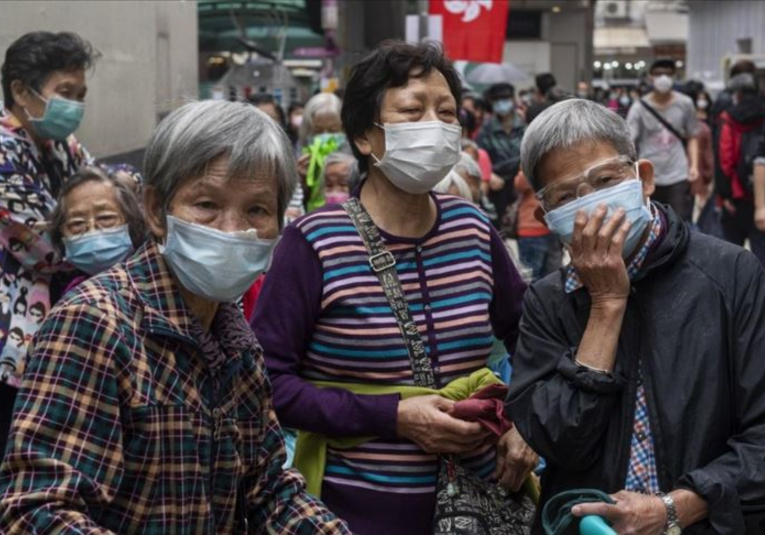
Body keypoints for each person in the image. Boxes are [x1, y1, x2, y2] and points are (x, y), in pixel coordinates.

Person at [0, 100, 349, 533]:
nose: (231, 229)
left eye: (257, 211)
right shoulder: (95, 323)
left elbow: (268, 490)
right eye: (205, 204)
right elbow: (37, 512)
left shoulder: (236, 339)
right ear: (154, 211)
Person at [252, 41, 534, 535]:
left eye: (446, 113)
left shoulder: (473, 227)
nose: (435, 124)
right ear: (365, 136)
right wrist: (391, 416)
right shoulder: (313, 242)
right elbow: (267, 382)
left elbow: (532, 338)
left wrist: (526, 421)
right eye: (413, 110)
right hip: (356, 512)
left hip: (482, 506)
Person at [506, 99, 765, 533]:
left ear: (643, 178)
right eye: (567, 197)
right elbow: (560, 442)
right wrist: (606, 305)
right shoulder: (548, 302)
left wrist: (677, 506)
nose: (590, 209)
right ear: (545, 216)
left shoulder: (729, 274)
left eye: (606, 180)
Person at [0, 31, 97, 453]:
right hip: (11, 341)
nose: (74, 105)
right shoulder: (3, 151)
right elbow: (45, 245)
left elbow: (109, 188)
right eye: (65, 92)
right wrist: (101, 227)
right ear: (21, 90)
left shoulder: (61, 146)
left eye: (81, 94)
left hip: (51, 335)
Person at [48, 166, 146, 294]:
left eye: (105, 218)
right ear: (62, 234)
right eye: (77, 224)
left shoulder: (158, 276)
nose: (93, 232)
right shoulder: (68, 299)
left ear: (130, 221)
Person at [626, 58, 700, 222]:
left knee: (678, 222)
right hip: (649, 174)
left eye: (668, 74)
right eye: (659, 74)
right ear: (650, 77)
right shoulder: (639, 107)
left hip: (678, 173)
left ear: (674, 77)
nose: (663, 78)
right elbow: (629, 141)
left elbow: (693, 136)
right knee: (652, 221)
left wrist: (694, 165)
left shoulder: (685, 103)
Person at [718, 73, 765, 264]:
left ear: (736, 93)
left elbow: (725, 157)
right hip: (761, 196)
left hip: (736, 196)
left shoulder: (728, 118)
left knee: (732, 255)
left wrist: (725, 194)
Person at [477, 82, 525, 224]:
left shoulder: (524, 126)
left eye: (505, 99)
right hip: (497, 186)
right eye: (497, 100)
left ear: (513, 100)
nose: (501, 103)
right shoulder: (487, 128)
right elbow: (479, 155)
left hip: (521, 185)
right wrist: (489, 175)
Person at [298, 92, 345, 212]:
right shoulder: (302, 155)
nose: (325, 136)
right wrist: (302, 181)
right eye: (318, 131)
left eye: (333, 130)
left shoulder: (354, 157)